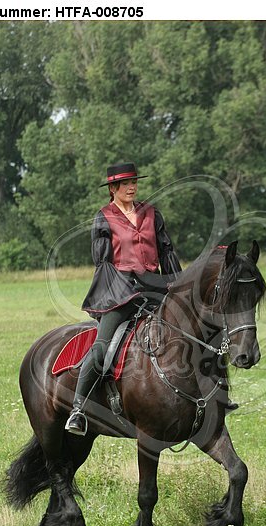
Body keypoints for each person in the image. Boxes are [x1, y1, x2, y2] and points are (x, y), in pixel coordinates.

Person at [65, 162, 182, 435]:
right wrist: (124, 292)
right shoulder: (104, 217)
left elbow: (167, 253)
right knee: (101, 349)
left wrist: (176, 287)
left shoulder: (153, 214)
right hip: (119, 293)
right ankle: (78, 411)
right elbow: (103, 263)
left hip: (155, 290)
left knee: (189, 334)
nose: (132, 187)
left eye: (134, 182)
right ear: (113, 188)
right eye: (126, 183)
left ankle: (211, 399)